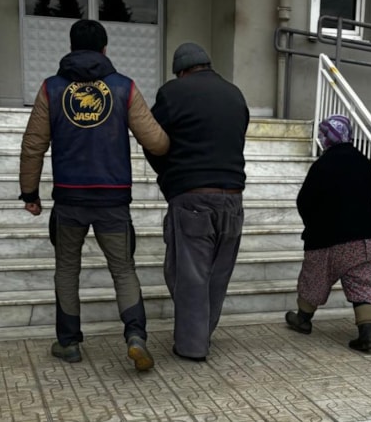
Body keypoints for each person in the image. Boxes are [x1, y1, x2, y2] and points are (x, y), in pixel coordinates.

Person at [19, 20, 169, 370]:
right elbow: (157, 142)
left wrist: (30, 192)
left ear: (71, 48)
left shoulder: (51, 89)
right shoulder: (124, 88)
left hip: (69, 200)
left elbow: (33, 146)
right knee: (123, 269)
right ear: (105, 49)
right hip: (112, 200)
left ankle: (69, 343)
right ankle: (135, 337)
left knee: (67, 270)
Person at [144, 42, 249, 362]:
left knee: (188, 274)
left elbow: (152, 139)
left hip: (192, 196)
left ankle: (192, 345)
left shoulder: (173, 92)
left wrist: (171, 178)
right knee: (218, 274)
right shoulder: (235, 94)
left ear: (182, 71)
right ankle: (202, 332)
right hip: (233, 196)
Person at [284, 115, 371, 352]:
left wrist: (312, 225)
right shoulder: (363, 160)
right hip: (363, 239)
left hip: (327, 240)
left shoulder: (323, 164)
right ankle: (367, 332)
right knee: (364, 283)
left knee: (314, 280)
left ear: (328, 136)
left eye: (322, 134)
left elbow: (304, 201)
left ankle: (303, 319)